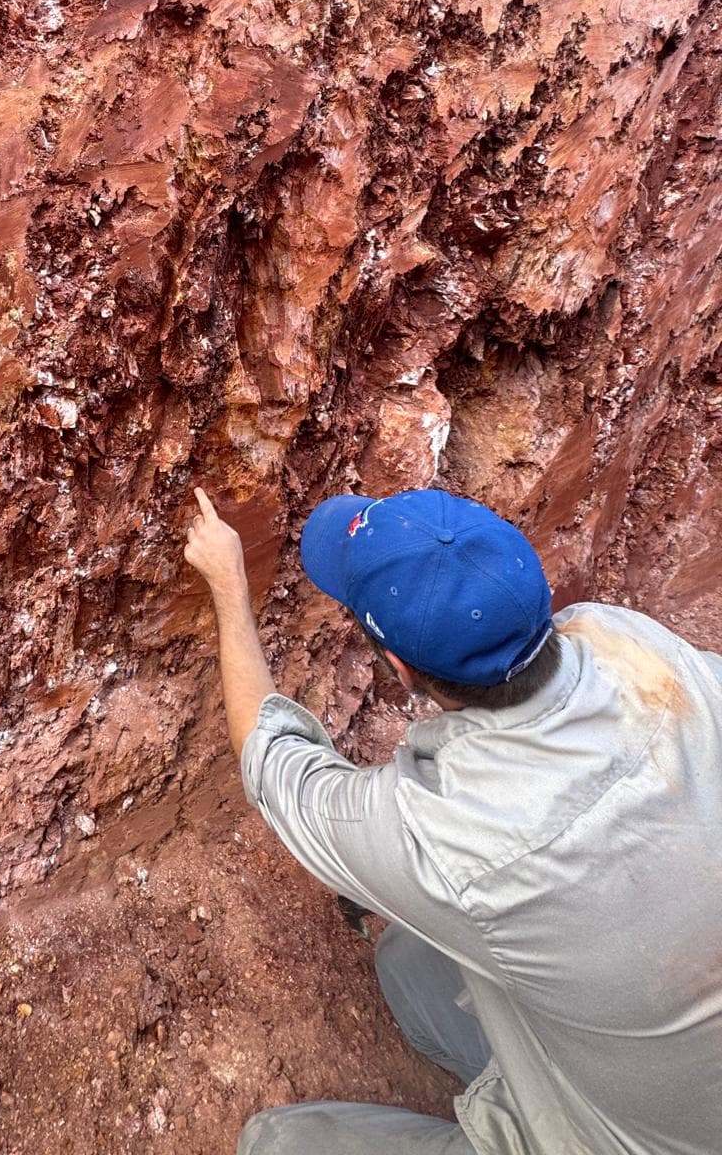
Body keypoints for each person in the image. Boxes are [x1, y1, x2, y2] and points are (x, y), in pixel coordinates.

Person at [183, 485, 722, 1155]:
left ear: (402, 670)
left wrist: (229, 589)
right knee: (408, 964)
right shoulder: (631, 645)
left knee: (274, 1142)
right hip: (678, 1026)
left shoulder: (448, 837)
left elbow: (272, 761)